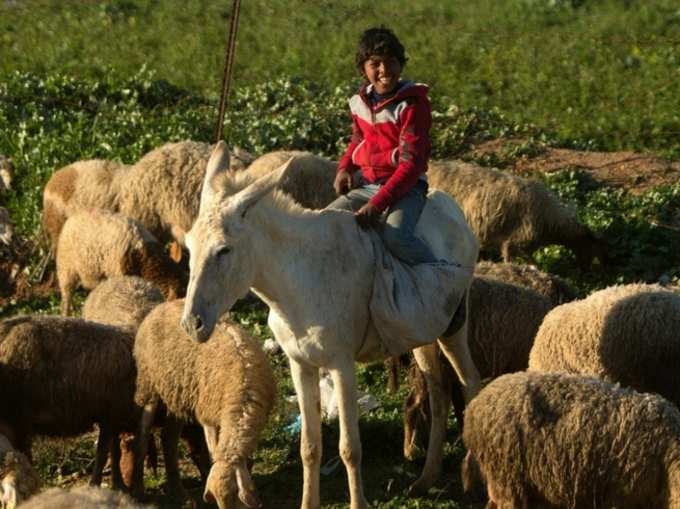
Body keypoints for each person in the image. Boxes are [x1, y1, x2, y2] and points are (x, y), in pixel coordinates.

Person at [329, 26, 436, 265]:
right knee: (328, 221)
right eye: (375, 64)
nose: (384, 70)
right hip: (368, 184)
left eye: (391, 62)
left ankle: (445, 278)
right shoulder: (359, 104)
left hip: (407, 188)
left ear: (401, 64)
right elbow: (358, 140)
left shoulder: (411, 105)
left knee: (397, 237)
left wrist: (377, 205)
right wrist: (345, 168)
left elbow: (411, 164)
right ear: (363, 69)